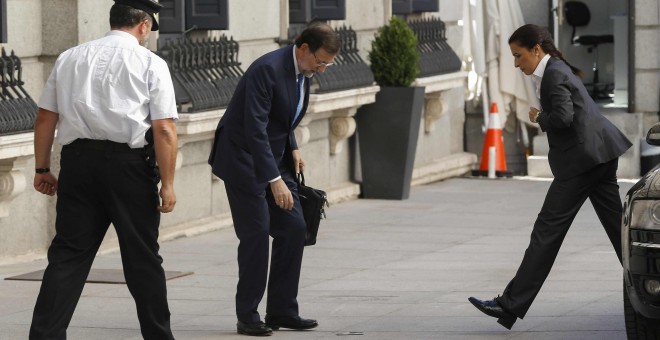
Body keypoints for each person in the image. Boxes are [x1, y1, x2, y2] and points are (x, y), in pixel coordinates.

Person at [29, 0, 178, 339]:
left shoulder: (69, 57)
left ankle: (43, 336)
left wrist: (42, 168)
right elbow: (165, 129)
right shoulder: (150, 63)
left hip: (78, 164)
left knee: (67, 256)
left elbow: (44, 118)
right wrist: (167, 184)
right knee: (142, 257)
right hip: (128, 168)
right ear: (144, 25)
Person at [468, 24, 632, 330]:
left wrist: (538, 117)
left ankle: (509, 304)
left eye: (518, 56)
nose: (516, 64)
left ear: (535, 50)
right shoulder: (555, 68)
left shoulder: (554, 73)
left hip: (583, 162)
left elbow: (564, 117)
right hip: (600, 156)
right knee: (620, 233)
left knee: (546, 233)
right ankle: (652, 284)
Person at [208, 22, 340, 336]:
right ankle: (248, 316)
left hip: (273, 155)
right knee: (256, 233)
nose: (321, 69)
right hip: (242, 158)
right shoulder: (267, 69)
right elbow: (254, 128)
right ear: (303, 48)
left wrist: (292, 147)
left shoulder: (302, 72)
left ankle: (282, 309)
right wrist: (274, 179)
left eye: (327, 65)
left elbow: (282, 117)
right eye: (319, 61)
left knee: (294, 227)